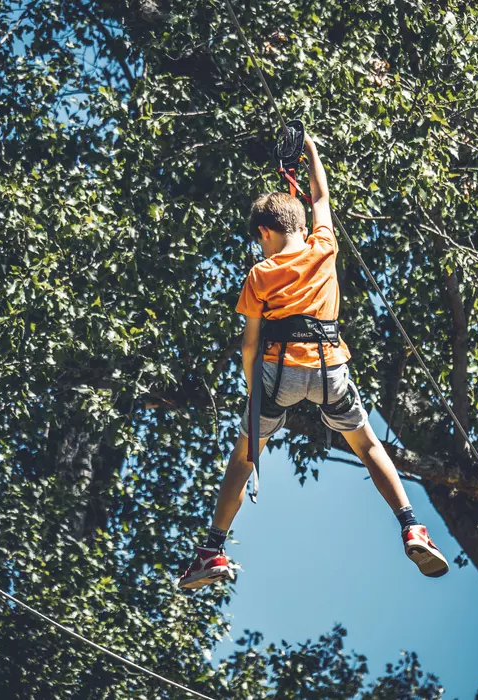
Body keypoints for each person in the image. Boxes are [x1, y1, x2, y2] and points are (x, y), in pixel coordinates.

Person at [178, 132, 448, 589]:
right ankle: (411, 525)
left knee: (244, 458)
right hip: (329, 371)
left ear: (264, 232)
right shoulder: (323, 246)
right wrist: (310, 149)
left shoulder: (260, 274)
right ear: (300, 227)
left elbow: (249, 345)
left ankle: (213, 550)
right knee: (369, 447)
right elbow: (320, 195)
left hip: (277, 374)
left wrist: (254, 395)